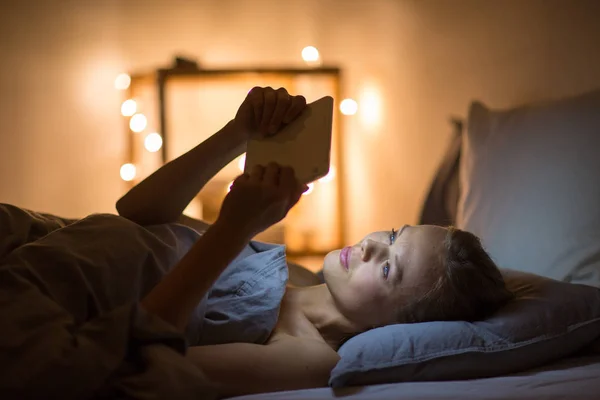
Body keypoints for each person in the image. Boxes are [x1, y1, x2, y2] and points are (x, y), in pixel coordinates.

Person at [0, 87, 513, 399]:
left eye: (389, 270)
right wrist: (235, 135)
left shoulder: (307, 357)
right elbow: (137, 212)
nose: (375, 245)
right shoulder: (293, 271)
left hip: (34, 306)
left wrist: (231, 229)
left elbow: (133, 363)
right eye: (395, 235)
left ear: (394, 327)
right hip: (36, 236)